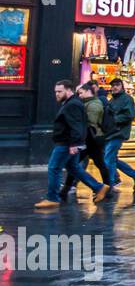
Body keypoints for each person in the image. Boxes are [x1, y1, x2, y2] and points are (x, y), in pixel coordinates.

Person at [36, 79, 110, 209]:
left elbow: (76, 125)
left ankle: (52, 198)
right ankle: (98, 187)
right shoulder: (72, 103)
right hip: (70, 142)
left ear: (69, 90)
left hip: (66, 143)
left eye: (60, 91)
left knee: (54, 168)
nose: (57, 94)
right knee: (74, 168)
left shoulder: (72, 105)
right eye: (56, 92)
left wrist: (74, 144)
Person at [104, 78, 135, 191]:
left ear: (122, 86)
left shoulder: (127, 99)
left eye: (117, 85)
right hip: (111, 132)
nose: (115, 87)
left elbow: (130, 115)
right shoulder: (112, 100)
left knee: (108, 159)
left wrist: (114, 120)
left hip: (119, 133)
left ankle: (110, 185)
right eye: (113, 85)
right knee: (112, 159)